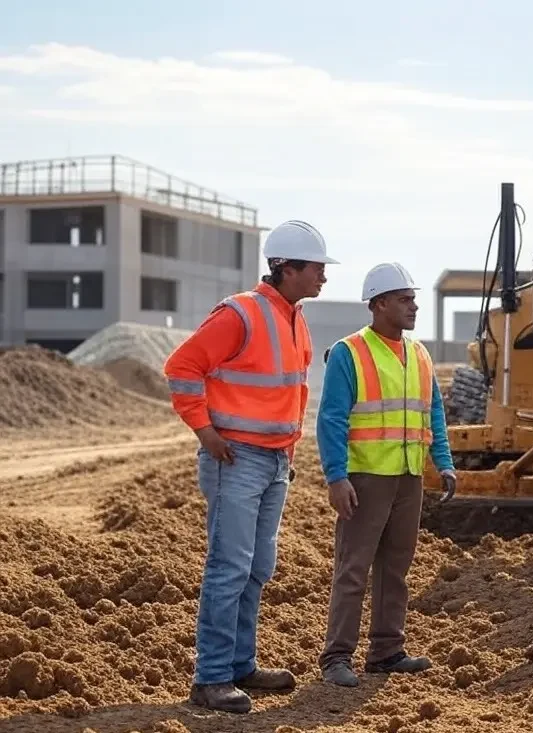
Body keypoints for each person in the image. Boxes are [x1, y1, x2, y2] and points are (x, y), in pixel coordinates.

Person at [163, 219, 338, 714]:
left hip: (274, 461)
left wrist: (288, 452)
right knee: (229, 568)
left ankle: (240, 665)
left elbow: (291, 392)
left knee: (257, 568)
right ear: (287, 268)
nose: (324, 276)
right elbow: (181, 368)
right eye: (317, 268)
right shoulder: (240, 313)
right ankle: (211, 678)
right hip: (236, 459)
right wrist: (206, 432)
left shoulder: (294, 317)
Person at [315, 261, 457, 687]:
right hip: (365, 478)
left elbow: (433, 412)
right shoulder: (350, 352)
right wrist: (336, 477)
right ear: (378, 304)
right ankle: (337, 657)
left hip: (408, 477)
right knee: (354, 569)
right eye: (404, 299)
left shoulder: (420, 354)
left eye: (413, 298)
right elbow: (331, 418)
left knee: (396, 569)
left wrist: (444, 462)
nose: (414, 306)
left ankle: (386, 652)